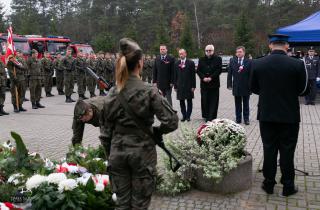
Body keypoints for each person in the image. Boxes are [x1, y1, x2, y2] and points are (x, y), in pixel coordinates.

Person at [100, 38, 178, 210]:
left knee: (121, 204)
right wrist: (157, 131)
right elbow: (171, 121)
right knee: (139, 204)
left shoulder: (112, 93)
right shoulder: (149, 90)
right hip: (142, 154)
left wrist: (110, 153)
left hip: (117, 153)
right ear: (140, 63)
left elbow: (104, 133)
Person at [250, 34, 308, 197]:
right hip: (289, 115)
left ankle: (268, 184)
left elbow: (253, 88)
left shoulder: (258, 63)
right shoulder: (297, 64)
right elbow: (303, 89)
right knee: (287, 151)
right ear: (287, 46)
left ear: (270, 46)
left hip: (267, 114)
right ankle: (288, 186)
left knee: (269, 149)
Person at [227, 46, 252, 125]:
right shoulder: (232, 61)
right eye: (237, 52)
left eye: (240, 52)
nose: (239, 53)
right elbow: (229, 74)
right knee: (237, 104)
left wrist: (252, 85)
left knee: (246, 104)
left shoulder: (249, 61)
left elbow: (251, 74)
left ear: (244, 52)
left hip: (246, 86)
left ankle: (246, 119)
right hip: (236, 86)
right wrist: (229, 84)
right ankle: (238, 119)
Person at [197, 44, 222, 121]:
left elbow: (219, 70)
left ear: (213, 51)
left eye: (210, 50)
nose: (208, 52)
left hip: (214, 84)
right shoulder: (201, 59)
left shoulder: (218, 59)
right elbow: (198, 70)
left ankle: (212, 116)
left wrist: (211, 77)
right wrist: (203, 77)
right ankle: (206, 115)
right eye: (206, 51)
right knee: (205, 100)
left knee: (214, 101)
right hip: (204, 84)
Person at [174, 49, 196, 121]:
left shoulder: (191, 63)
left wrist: (193, 86)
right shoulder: (176, 63)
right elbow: (175, 75)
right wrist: (175, 86)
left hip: (189, 85)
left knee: (189, 101)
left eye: (182, 53)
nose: (181, 55)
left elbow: (193, 75)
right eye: (180, 54)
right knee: (181, 101)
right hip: (180, 85)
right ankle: (184, 115)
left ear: (185, 54)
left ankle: (188, 116)